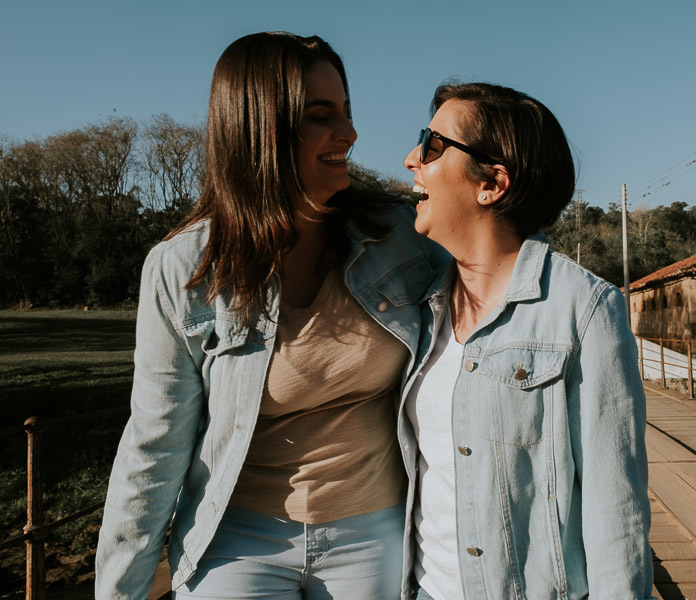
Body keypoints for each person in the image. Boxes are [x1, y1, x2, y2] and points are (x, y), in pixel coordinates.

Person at [96, 32, 442, 599]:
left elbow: (495, 281)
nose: (349, 133)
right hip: (237, 537)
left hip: (376, 532)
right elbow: (153, 446)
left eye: (347, 112)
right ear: (259, 129)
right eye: (320, 116)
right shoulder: (183, 268)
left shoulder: (401, 235)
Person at [399, 82, 655, 599]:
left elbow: (615, 506)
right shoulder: (418, 307)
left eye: (432, 144)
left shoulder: (584, 310)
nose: (411, 159)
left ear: (492, 183)